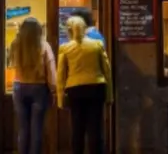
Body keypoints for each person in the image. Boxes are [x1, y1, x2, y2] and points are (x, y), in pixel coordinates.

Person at [57, 16, 113, 154]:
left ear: (69, 31)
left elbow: (60, 76)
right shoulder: (97, 45)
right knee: (96, 129)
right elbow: (107, 71)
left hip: (75, 91)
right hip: (96, 88)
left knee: (77, 129)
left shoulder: (65, 48)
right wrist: (110, 95)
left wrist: (60, 99)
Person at [9, 17, 56, 154]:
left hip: (19, 87)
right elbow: (51, 71)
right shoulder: (44, 46)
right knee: (36, 129)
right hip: (38, 88)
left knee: (23, 129)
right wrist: (53, 90)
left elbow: (11, 64)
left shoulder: (15, 45)